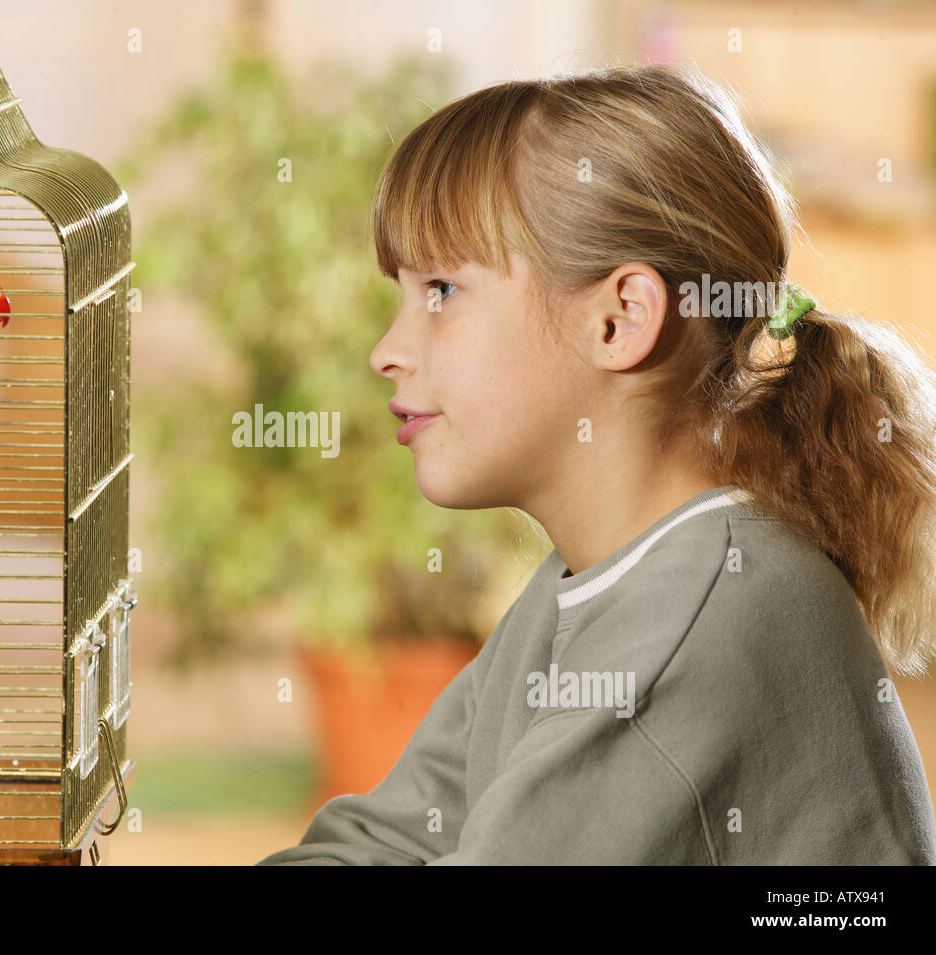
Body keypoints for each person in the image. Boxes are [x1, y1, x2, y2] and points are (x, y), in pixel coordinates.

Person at [255, 62, 936, 865]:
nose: (386, 352)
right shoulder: (583, 587)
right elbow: (383, 837)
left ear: (620, 319)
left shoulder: (698, 625)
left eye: (440, 290)